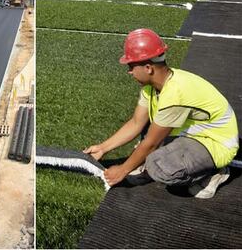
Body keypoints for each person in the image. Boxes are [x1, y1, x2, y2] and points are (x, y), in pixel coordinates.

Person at [84, 28, 239, 199]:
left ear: (148, 68)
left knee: (159, 167)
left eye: (131, 66)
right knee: (146, 142)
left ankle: (214, 172)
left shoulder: (175, 93)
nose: (129, 71)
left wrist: (122, 170)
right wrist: (102, 148)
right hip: (194, 134)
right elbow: (136, 122)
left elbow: (150, 143)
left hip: (216, 143)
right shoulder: (151, 87)